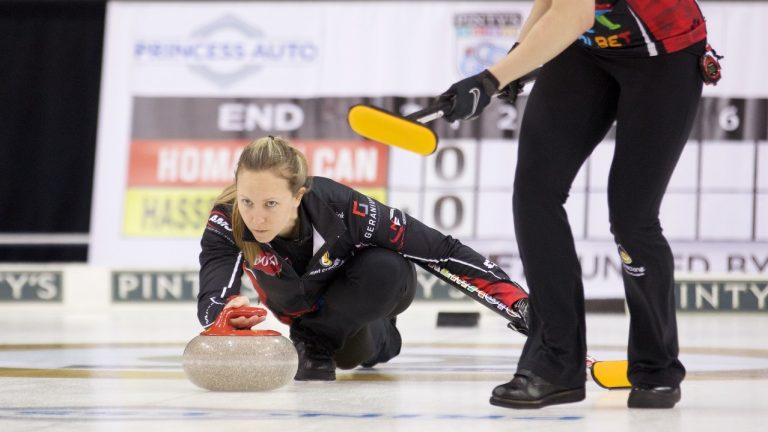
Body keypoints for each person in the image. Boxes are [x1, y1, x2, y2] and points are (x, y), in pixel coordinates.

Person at [437, 0, 714, 409]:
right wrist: (520, 52)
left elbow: (574, 14)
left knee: (632, 217)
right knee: (535, 193)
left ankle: (657, 368)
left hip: (663, 55)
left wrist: (490, 79)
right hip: (587, 51)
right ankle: (555, 365)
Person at [197, 135, 530, 381]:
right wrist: (224, 314)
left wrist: (517, 304)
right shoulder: (227, 218)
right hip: (298, 310)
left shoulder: (344, 208)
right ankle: (325, 336)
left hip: (358, 291)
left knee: (388, 269)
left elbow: (441, 252)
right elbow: (214, 291)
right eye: (247, 202)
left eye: (271, 204)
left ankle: (348, 335)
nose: (256, 218)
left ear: (298, 195)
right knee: (349, 357)